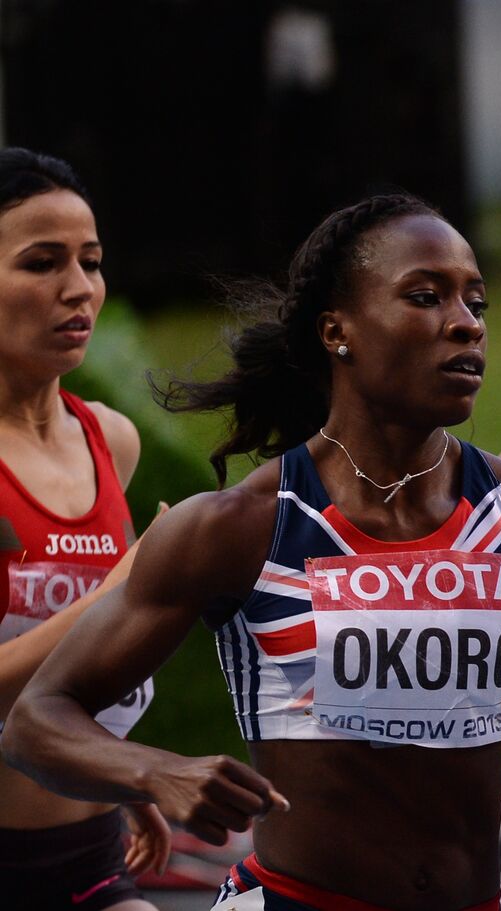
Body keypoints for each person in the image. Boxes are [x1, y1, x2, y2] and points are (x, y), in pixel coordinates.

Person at [3, 193, 501, 911]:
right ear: (339, 331)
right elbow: (37, 720)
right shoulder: (240, 527)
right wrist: (153, 771)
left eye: (476, 304)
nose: (465, 324)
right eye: (426, 297)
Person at [0, 147, 169, 911]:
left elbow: (97, 660)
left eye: (91, 262)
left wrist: (117, 766)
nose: (79, 289)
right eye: (41, 263)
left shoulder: (112, 441)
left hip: (88, 861)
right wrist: (126, 583)